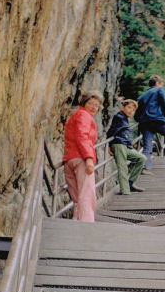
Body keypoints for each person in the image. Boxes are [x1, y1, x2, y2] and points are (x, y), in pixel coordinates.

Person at [62, 90, 103, 222]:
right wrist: (89, 159)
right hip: (81, 159)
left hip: (69, 159)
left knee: (77, 197)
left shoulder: (75, 115)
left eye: (97, 105)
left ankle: (77, 221)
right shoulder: (84, 116)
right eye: (91, 103)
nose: (94, 107)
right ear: (84, 103)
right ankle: (86, 226)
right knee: (87, 195)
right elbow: (82, 137)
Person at [134, 75, 165, 171]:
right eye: (162, 84)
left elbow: (137, 114)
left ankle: (145, 168)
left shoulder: (142, 96)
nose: (163, 87)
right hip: (157, 121)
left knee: (147, 146)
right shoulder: (160, 90)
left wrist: (140, 120)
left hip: (145, 123)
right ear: (157, 83)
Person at [106, 99, 145, 194]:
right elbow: (111, 132)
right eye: (129, 107)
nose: (131, 110)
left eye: (133, 109)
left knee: (141, 158)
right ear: (123, 107)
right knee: (123, 167)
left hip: (125, 145)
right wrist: (110, 146)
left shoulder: (124, 119)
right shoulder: (119, 117)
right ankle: (125, 191)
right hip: (119, 144)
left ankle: (130, 183)